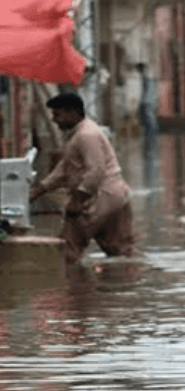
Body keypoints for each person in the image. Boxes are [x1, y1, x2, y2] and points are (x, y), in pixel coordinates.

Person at [29, 93, 138, 265]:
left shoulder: (86, 135)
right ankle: (127, 286)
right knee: (122, 253)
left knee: (67, 251)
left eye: (57, 115)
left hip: (99, 196)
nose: (54, 120)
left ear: (73, 112)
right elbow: (63, 170)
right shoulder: (78, 134)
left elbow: (96, 171)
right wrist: (39, 190)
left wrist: (77, 200)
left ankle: (72, 290)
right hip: (115, 196)